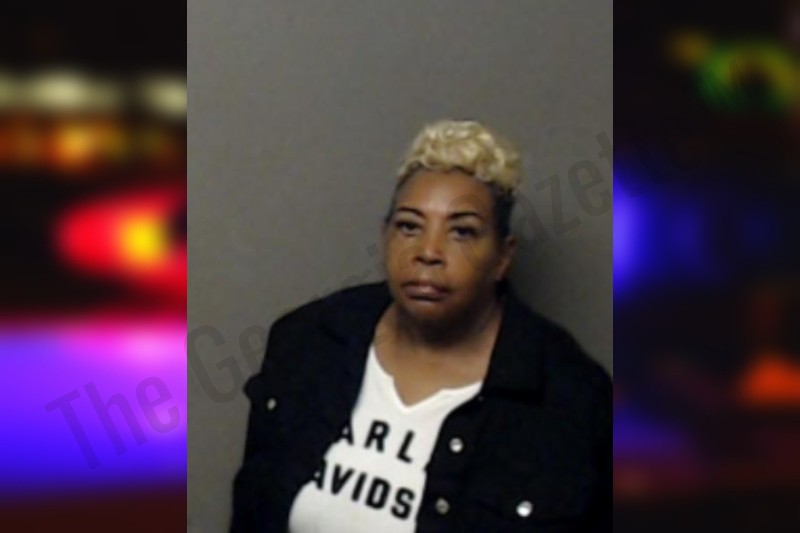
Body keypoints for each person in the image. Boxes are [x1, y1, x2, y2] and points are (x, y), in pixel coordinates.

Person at [231, 120, 612, 532]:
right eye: (409, 226)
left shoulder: (572, 400)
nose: (428, 252)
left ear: (503, 257)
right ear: (385, 236)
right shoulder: (307, 342)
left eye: (462, 232)